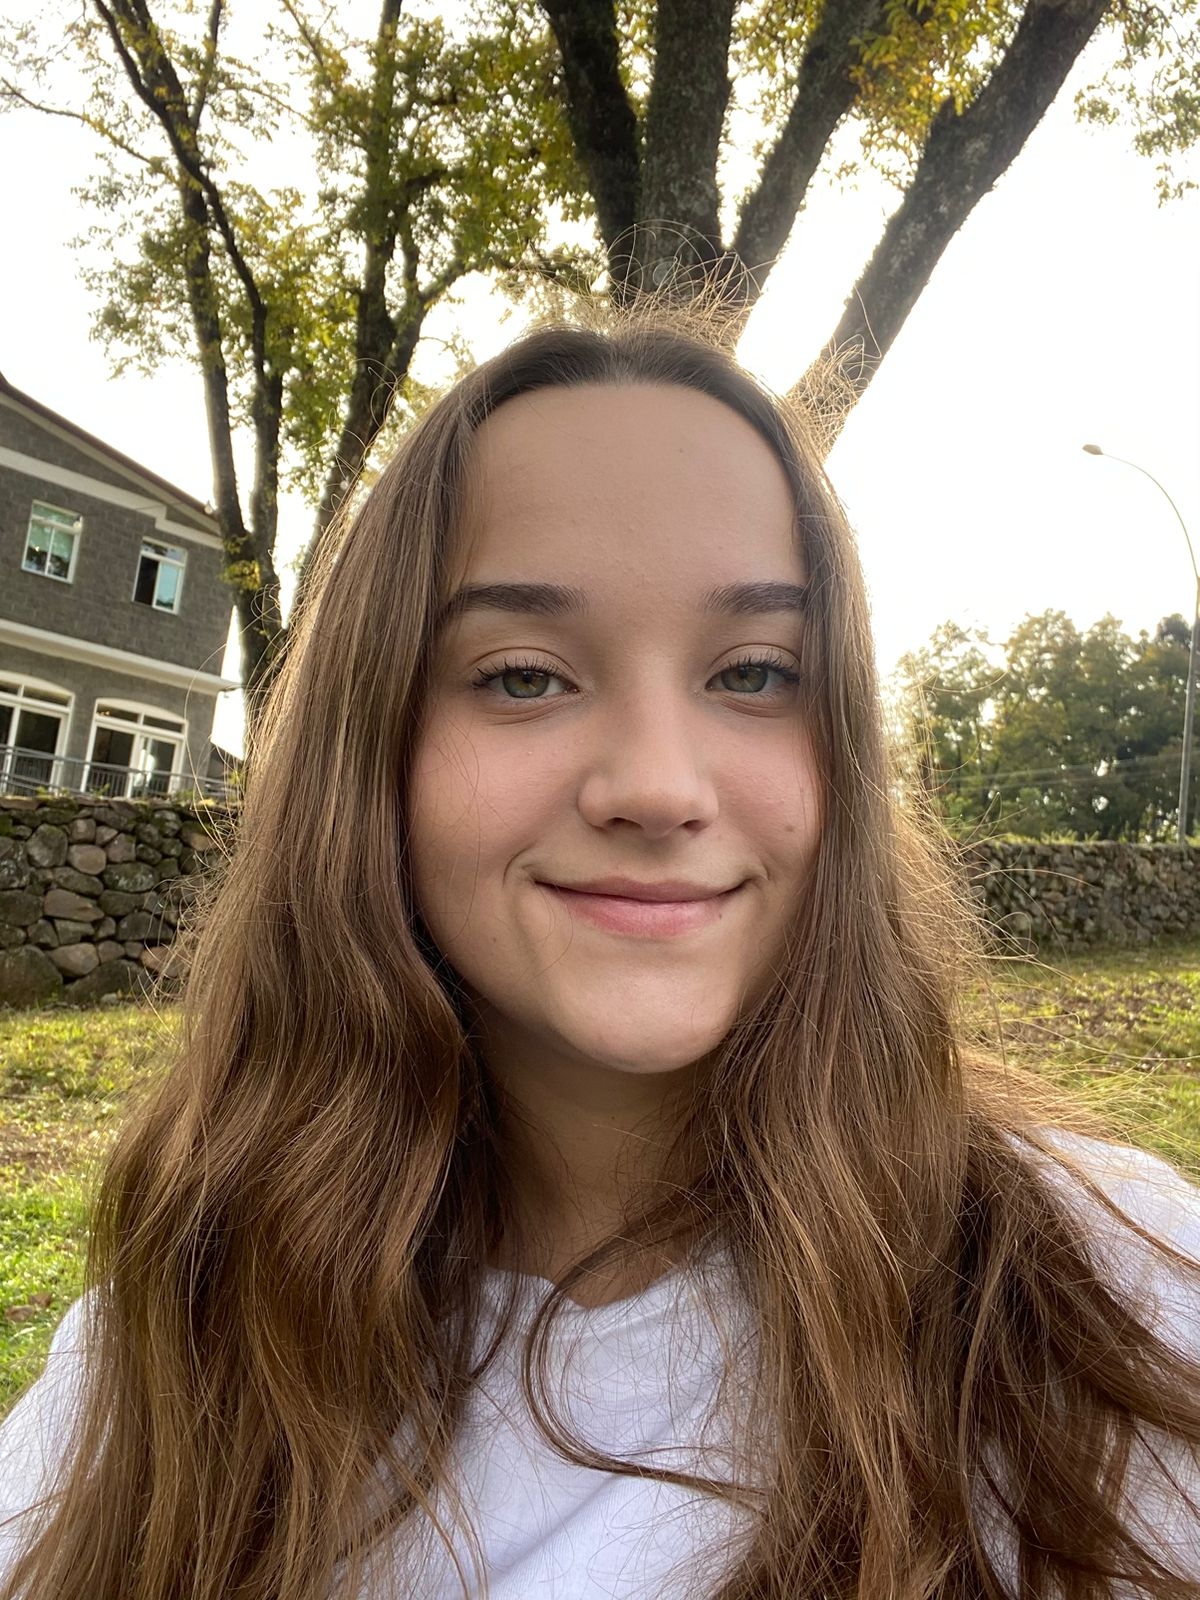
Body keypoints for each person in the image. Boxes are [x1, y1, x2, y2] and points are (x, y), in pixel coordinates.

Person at [0, 302, 1198, 1600]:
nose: (659, 787)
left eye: (753, 673)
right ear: (374, 751)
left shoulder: (1110, 1305)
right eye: (524, 675)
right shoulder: (171, 1339)